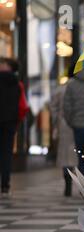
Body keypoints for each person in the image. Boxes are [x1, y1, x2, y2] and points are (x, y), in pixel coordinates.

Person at [0, 57, 29, 197]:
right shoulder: (18, 84)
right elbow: (23, 106)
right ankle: (5, 186)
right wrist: (16, 120)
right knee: (6, 154)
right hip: (10, 122)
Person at [48, 68, 77, 197]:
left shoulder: (61, 89)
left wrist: (55, 124)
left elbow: (53, 108)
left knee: (66, 157)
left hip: (64, 126)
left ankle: (68, 184)